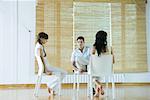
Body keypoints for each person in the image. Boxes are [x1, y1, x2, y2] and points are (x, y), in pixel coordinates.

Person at [91, 30, 115, 97]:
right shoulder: (110, 48)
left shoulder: (94, 48)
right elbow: (113, 61)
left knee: (90, 74)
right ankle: (97, 91)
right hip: (107, 70)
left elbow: (91, 61)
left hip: (96, 70)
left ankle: (98, 85)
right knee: (96, 76)